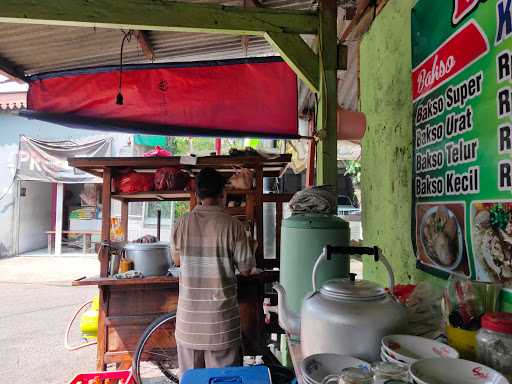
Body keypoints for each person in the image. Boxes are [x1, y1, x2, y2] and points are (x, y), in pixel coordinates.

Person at [171, 167, 256, 377]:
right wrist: (251, 246)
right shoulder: (233, 226)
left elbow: (177, 260)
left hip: (188, 325)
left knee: (191, 381)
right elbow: (246, 268)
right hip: (221, 326)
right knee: (223, 381)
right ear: (222, 194)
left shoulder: (181, 224)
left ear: (197, 194)